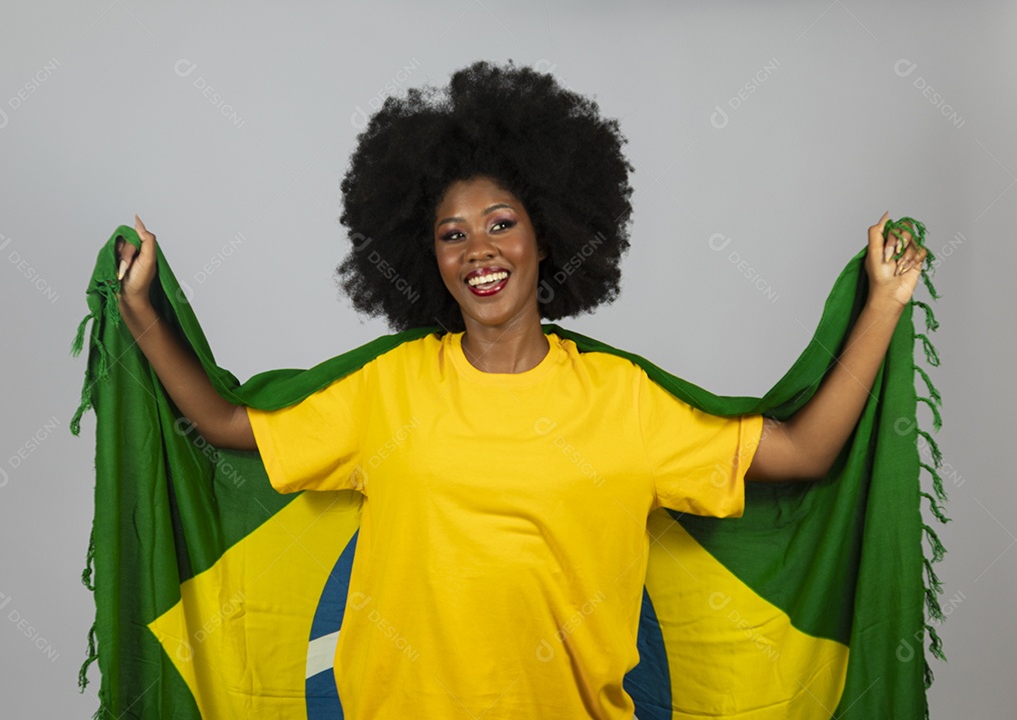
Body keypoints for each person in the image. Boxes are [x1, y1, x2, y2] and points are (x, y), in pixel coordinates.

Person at [114, 60, 927, 719]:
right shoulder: (387, 389)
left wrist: (883, 306)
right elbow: (226, 424)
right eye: (452, 235)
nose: (479, 251)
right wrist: (144, 314)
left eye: (501, 223)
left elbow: (805, 452)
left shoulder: (625, 402)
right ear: (427, 257)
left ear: (548, 235)